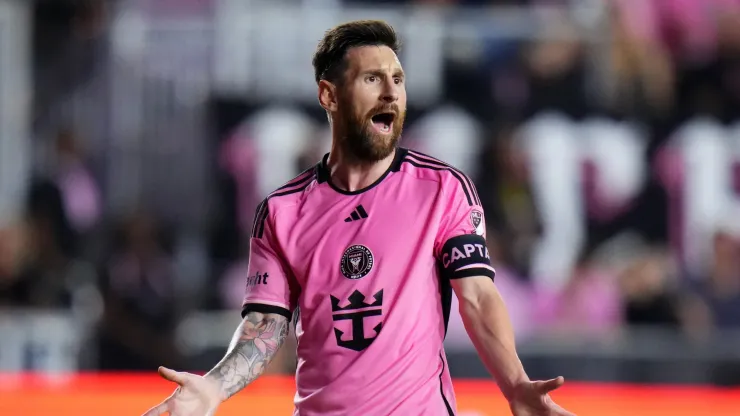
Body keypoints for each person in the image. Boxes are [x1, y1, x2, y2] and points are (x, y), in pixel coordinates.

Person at [143, 20, 575, 416]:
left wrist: (516, 384)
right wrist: (213, 389)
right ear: (329, 95)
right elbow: (266, 326)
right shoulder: (282, 211)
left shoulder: (442, 189)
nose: (391, 93)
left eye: (398, 80)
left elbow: (478, 297)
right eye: (373, 79)